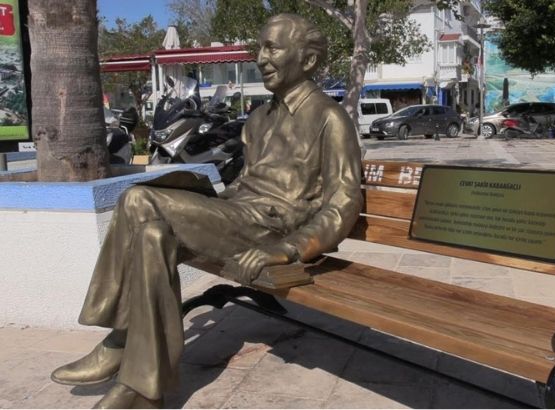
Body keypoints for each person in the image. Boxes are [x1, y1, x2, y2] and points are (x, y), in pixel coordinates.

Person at [50, 14, 362, 409]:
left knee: (138, 199)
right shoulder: (259, 118)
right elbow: (245, 183)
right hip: (238, 217)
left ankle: (119, 339)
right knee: (152, 235)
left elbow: (344, 202)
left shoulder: (329, 118)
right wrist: (208, 202)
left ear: (308, 60)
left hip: (272, 231)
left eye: (272, 48)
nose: (261, 58)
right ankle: (142, 389)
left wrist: (287, 249)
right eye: (260, 48)